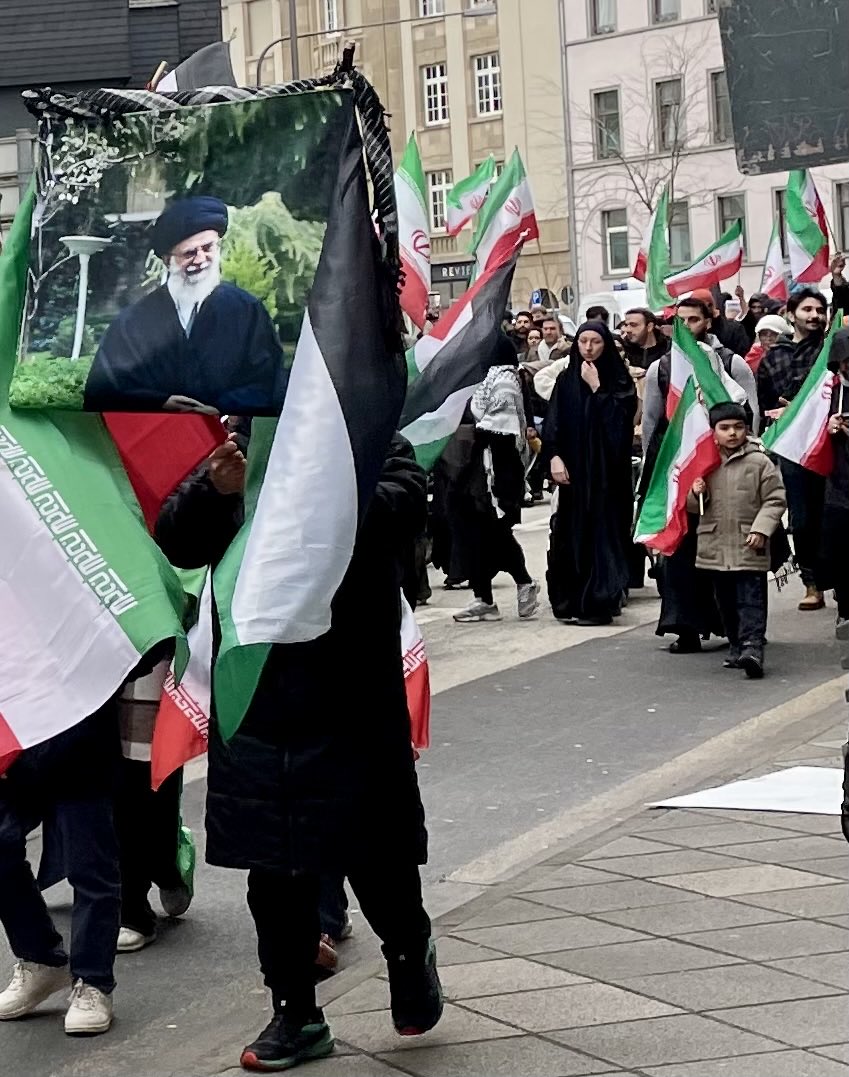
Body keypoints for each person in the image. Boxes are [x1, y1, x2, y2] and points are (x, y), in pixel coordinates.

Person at [155, 432, 443, 1072]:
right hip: (254, 692)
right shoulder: (232, 447)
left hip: (349, 693)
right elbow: (176, 537)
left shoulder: (365, 433)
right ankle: (297, 1014)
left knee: (375, 853)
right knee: (274, 867)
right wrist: (214, 490)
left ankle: (408, 949)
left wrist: (318, 487)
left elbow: (401, 512)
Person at [84, 196, 286, 416]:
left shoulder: (247, 311)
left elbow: (267, 383)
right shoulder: (132, 324)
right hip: (153, 438)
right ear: (167, 261)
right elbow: (102, 390)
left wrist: (221, 408)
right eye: (189, 253)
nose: (201, 259)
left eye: (208, 248)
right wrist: (158, 403)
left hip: (229, 440)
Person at [641, 298, 754, 653]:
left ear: (707, 322)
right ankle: (684, 625)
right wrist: (653, 472)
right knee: (677, 549)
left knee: (720, 546)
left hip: (719, 465)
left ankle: (732, 624)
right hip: (677, 466)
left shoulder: (728, 363)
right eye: (681, 320)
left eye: (694, 319)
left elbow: (748, 414)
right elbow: (651, 423)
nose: (687, 325)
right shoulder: (661, 368)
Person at [0, 704, 122, 1035]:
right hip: (14, 733)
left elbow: (138, 654)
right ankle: (40, 958)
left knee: (90, 865)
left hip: (79, 735)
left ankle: (93, 981)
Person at [543, 322, 636, 625]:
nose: (588, 348)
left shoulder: (618, 379)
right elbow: (554, 422)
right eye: (583, 341)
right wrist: (555, 456)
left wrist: (598, 389)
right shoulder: (566, 380)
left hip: (606, 476)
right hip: (574, 474)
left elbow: (620, 425)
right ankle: (571, 600)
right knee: (570, 535)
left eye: (595, 342)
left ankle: (599, 602)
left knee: (602, 535)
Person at [689, 403, 786, 678]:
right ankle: (735, 644)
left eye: (738, 427)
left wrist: (762, 529)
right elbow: (693, 508)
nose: (732, 433)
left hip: (749, 544)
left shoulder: (759, 462)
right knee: (726, 602)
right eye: (725, 428)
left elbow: (775, 499)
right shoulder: (704, 462)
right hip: (715, 545)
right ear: (713, 432)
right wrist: (697, 492)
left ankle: (753, 648)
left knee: (751, 600)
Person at [452, 334, 539, 623]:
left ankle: (524, 582)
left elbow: (500, 429)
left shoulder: (503, 380)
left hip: (497, 469)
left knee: (494, 529)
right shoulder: (483, 379)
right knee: (473, 531)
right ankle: (483, 599)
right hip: (478, 464)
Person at [757, 287, 829, 610]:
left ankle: (839, 582)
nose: (815, 316)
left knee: (834, 514)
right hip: (793, 448)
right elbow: (765, 402)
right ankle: (811, 584)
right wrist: (780, 409)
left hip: (830, 443)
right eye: (808, 309)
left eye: (820, 310)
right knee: (801, 519)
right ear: (791, 313)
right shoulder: (774, 357)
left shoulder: (830, 348)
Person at [821, 329, 849, 628]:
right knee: (841, 548)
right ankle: (845, 603)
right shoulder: (827, 392)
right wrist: (826, 428)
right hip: (838, 482)